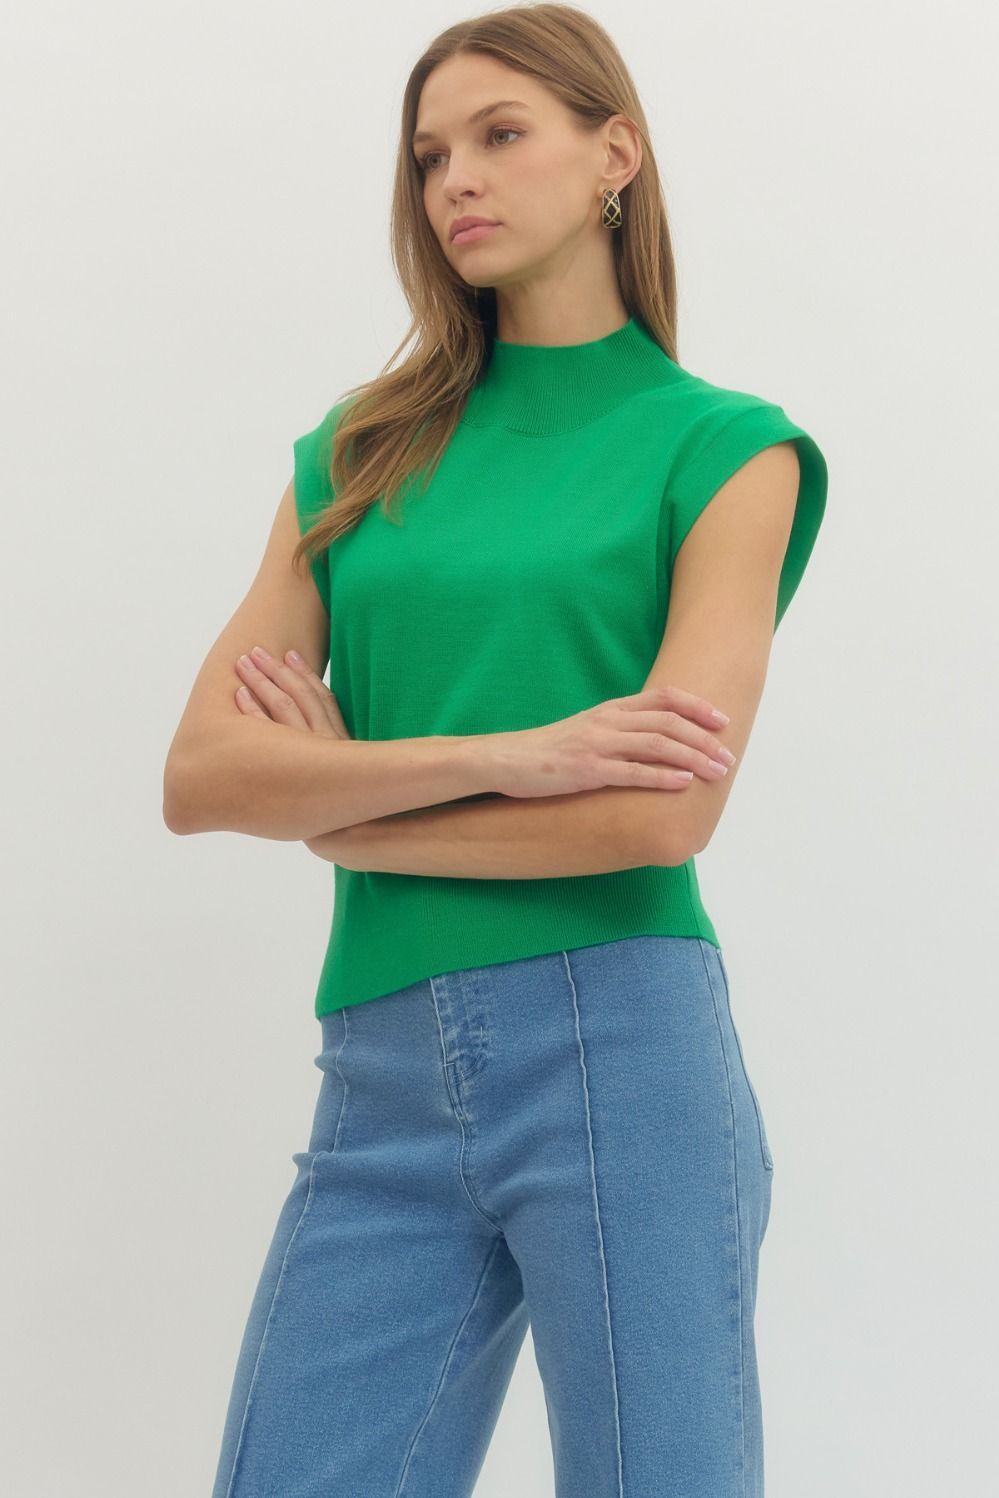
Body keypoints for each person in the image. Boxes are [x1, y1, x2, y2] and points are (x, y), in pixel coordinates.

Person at [163, 6, 827, 1495]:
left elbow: (659, 818)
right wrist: (513, 756)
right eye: (428, 155)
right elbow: (200, 777)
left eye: (501, 134)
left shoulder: (727, 451)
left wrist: (345, 817)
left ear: (615, 155)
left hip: (624, 1056)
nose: (454, 178)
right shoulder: (359, 455)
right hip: (380, 1071)